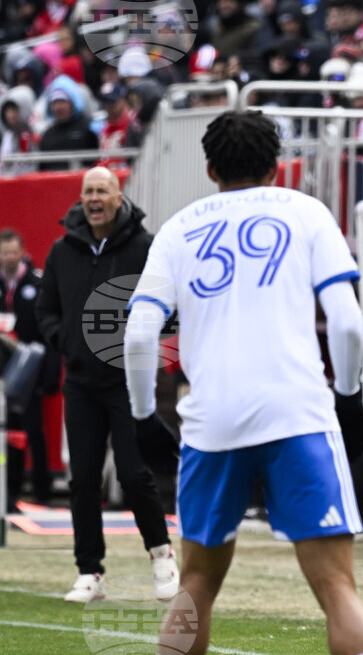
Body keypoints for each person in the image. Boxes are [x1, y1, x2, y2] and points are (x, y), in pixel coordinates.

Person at [122, 110, 363, 654]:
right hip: (297, 414)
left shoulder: (176, 229)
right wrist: (349, 397)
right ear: (275, 167)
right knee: (337, 586)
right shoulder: (307, 212)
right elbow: (348, 323)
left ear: (211, 169)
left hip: (211, 421)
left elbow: (140, 333)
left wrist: (144, 419)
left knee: (195, 585)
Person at [35, 166, 178, 603]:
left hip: (126, 381)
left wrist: (141, 343)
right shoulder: (62, 250)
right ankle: (89, 571)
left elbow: (170, 305)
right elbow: (46, 310)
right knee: (82, 479)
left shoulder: (145, 247)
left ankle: (161, 554)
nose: (94, 198)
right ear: (80, 199)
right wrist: (66, 340)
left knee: (134, 474)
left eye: (102, 190)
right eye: (88, 192)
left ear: (119, 197)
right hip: (80, 382)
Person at [1, 229, 55, 508]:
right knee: (6, 431)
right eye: (4, 253)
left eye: (13, 252)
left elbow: (50, 331)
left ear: (21, 252)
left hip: (31, 369)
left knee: (33, 429)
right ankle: (9, 490)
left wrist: (50, 374)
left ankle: (42, 490)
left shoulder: (38, 282)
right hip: (3, 370)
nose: (9, 257)